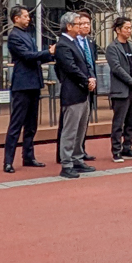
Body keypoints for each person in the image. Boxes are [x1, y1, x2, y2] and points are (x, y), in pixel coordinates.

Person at [2, 6, 50, 172]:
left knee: (31, 124)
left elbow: (34, 57)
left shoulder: (27, 34)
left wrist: (48, 55)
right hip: (22, 84)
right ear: (16, 18)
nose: (28, 19)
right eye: (25, 16)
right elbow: (28, 56)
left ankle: (28, 156)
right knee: (16, 124)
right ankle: (8, 161)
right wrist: (47, 53)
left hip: (33, 83)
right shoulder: (14, 36)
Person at [54, 11, 98, 178]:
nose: (82, 27)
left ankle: (77, 158)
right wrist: (86, 80)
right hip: (72, 92)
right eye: (78, 24)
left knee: (80, 128)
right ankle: (66, 163)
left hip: (83, 91)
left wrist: (90, 78)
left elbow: (85, 64)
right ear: (69, 26)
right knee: (70, 129)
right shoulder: (63, 44)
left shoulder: (76, 42)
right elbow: (70, 68)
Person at [106, 16, 132, 161]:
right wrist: (131, 81)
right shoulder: (112, 48)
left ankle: (127, 147)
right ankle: (116, 150)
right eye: (126, 28)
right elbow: (116, 68)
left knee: (131, 121)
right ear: (118, 30)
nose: (129, 31)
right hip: (121, 90)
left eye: (130, 28)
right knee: (119, 122)